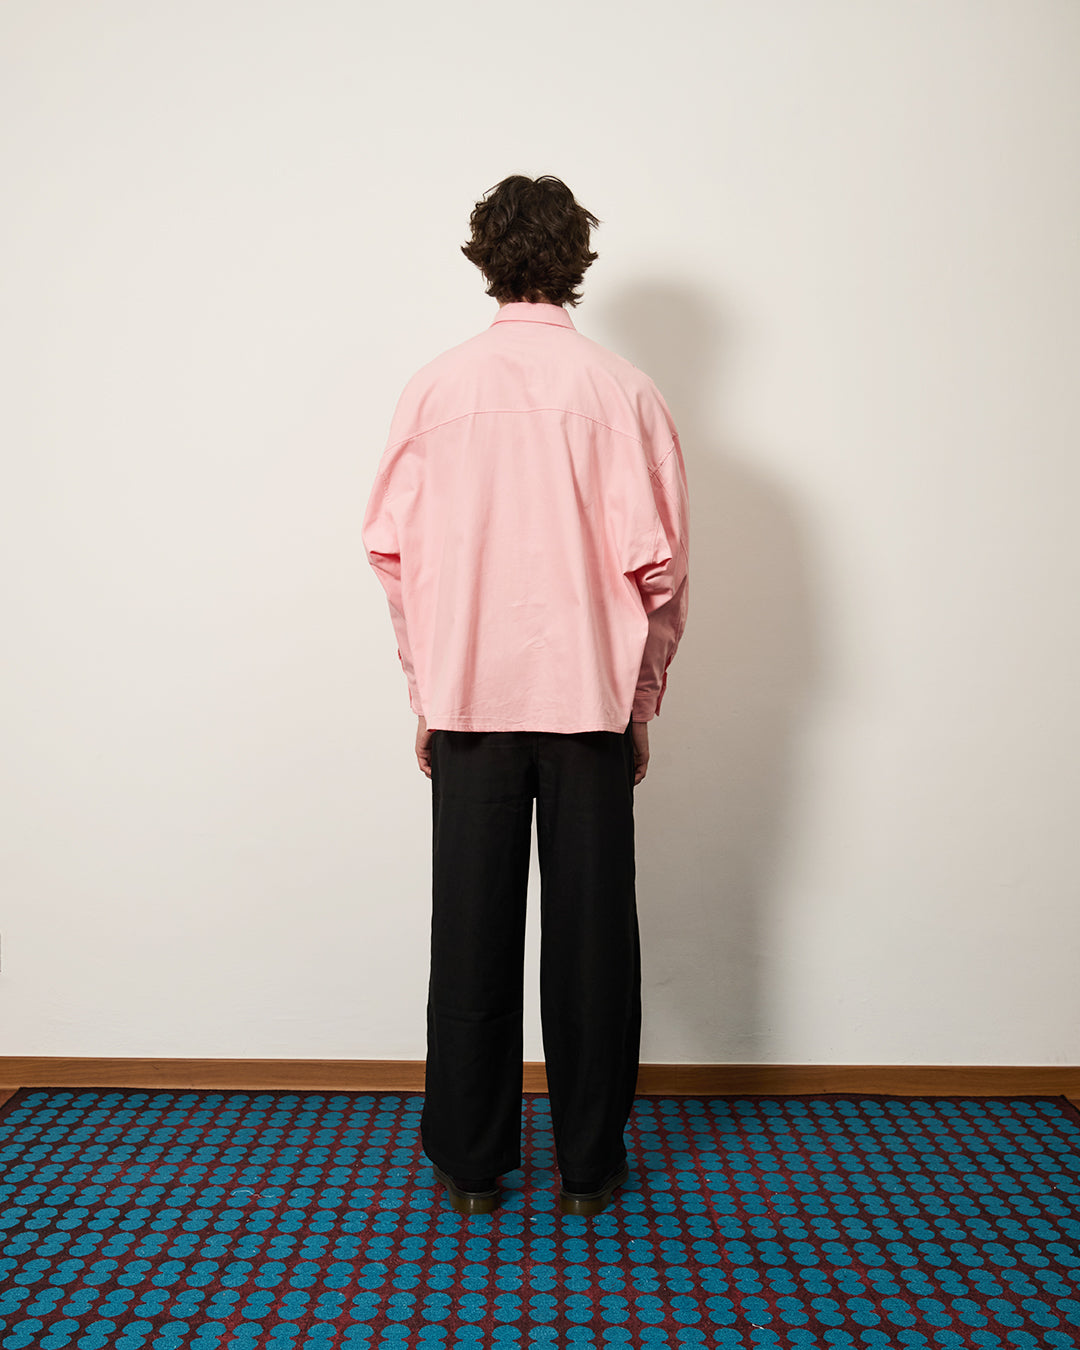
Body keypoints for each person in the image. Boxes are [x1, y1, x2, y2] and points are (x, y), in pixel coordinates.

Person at [361, 174, 689, 1217]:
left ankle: (470, 1162)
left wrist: (427, 687)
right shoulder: (625, 392)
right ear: (576, 261)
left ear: (485, 259)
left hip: (471, 701)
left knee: (469, 932)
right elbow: (664, 571)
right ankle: (589, 1165)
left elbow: (392, 555)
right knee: (595, 941)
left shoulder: (435, 391)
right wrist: (641, 698)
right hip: (589, 703)